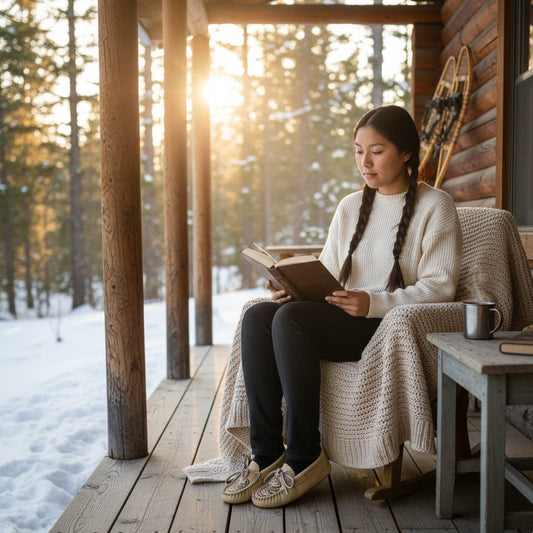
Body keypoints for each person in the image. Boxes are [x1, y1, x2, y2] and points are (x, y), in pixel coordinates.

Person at [222, 104, 462, 508]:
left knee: (292, 321)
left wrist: (373, 302)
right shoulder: (350, 206)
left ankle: (304, 456)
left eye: (376, 150)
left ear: (406, 153)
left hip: (385, 326)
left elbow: (441, 288)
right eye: (357, 150)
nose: (364, 162)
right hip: (341, 318)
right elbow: (328, 275)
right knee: (261, 314)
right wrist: (290, 287)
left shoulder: (436, 206)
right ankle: (266, 454)